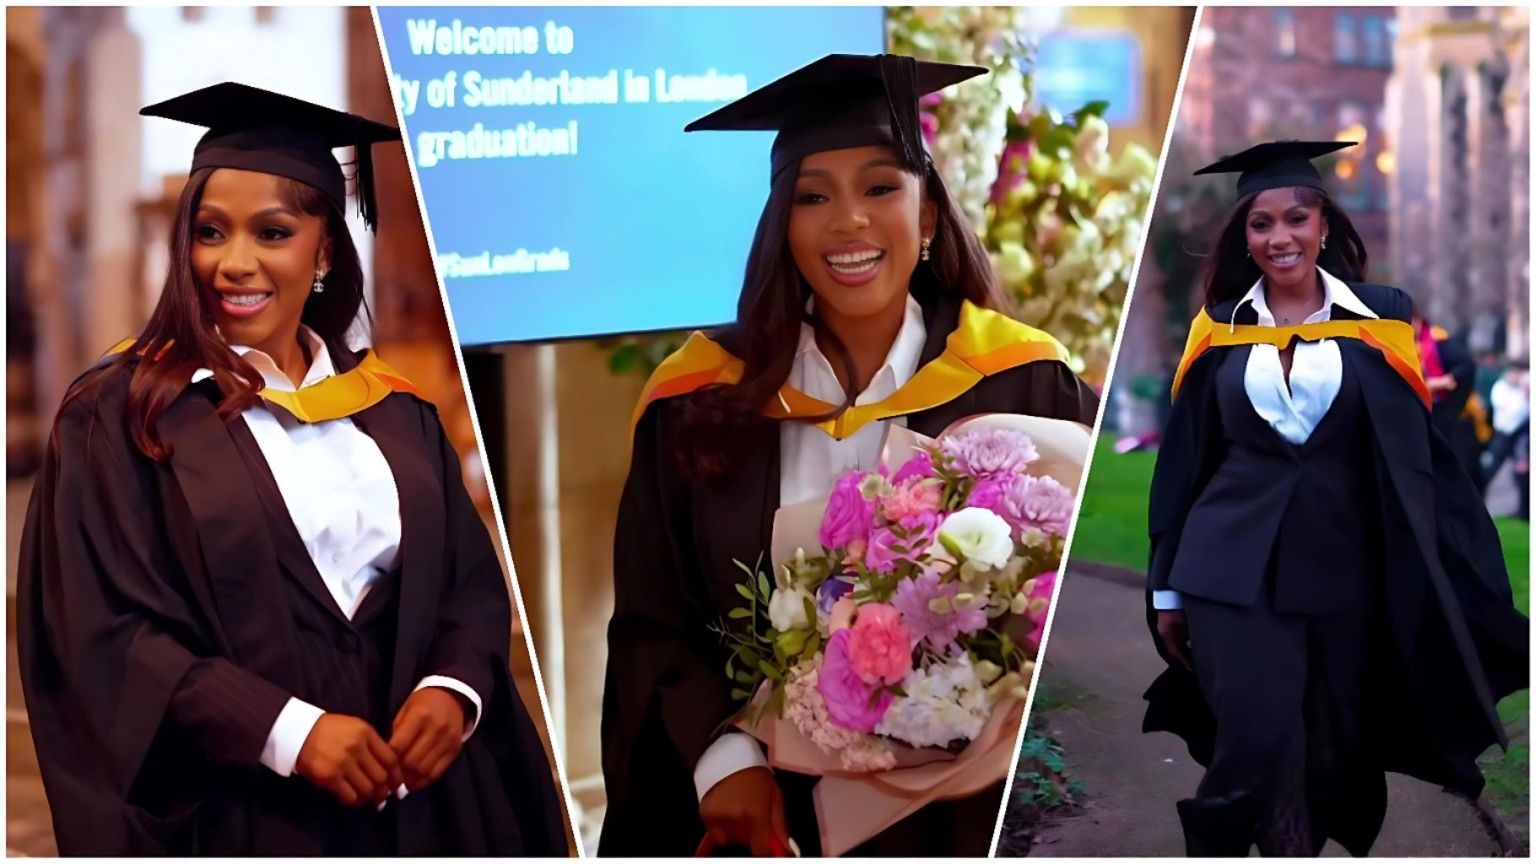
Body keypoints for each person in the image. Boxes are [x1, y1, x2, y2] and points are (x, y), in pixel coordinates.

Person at [16, 83, 567, 856]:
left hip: (427, 810)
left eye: (271, 233)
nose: (233, 264)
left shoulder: (395, 408)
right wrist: (289, 732)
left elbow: (466, 584)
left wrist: (454, 688)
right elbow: (107, 631)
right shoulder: (119, 414)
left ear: (325, 252)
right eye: (210, 233)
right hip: (245, 816)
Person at [599, 54, 1098, 857]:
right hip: (768, 813)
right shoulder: (700, 404)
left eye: (879, 188)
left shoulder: (1025, 383)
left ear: (929, 212)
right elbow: (655, 626)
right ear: (783, 226)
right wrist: (724, 762)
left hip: (970, 819)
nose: (848, 222)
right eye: (812, 196)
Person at [1142, 140, 1528, 856]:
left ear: (1324, 225)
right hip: (1227, 570)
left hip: (1343, 572)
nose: (1279, 237)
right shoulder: (1218, 329)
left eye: (1295, 218)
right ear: (1245, 236)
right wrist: (1166, 591)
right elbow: (1185, 468)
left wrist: (1443, 562)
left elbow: (1415, 460)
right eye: (1261, 224)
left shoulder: (1380, 317)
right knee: (1252, 741)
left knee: (1330, 752)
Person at [1485, 360, 1530, 517]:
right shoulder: (1500, 388)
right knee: (1490, 469)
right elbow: (1514, 413)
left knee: (1522, 472)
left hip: (1520, 437)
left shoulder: (1523, 390)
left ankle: (1524, 511)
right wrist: (1524, 396)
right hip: (1503, 435)